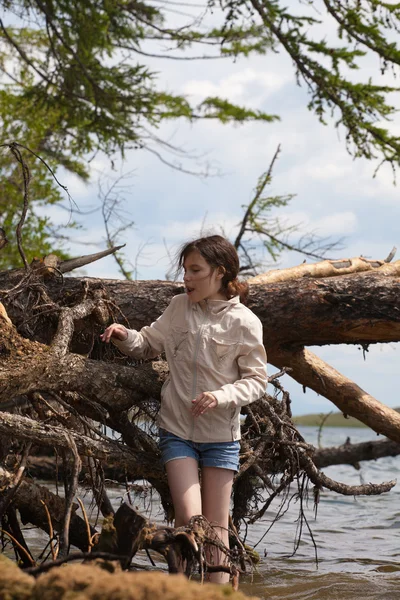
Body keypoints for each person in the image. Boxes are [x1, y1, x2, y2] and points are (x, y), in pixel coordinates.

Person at [100, 235, 267, 583]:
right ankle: (180, 592)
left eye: (195, 270)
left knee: (216, 531)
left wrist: (220, 396)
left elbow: (256, 381)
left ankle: (219, 591)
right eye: (185, 270)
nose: (186, 278)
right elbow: (148, 343)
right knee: (190, 525)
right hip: (177, 430)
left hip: (221, 437)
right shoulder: (178, 307)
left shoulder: (245, 322)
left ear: (220, 272)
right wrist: (123, 335)